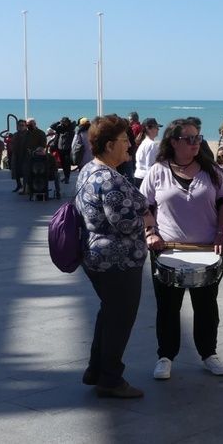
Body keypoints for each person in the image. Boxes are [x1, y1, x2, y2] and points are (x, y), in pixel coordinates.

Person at [141, 119, 223, 380]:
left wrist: (221, 233)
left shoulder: (212, 171)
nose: (196, 143)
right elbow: (144, 205)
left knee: (206, 307)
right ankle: (165, 356)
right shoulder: (157, 171)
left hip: (207, 250)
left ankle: (209, 353)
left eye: (198, 138)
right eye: (189, 139)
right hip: (167, 251)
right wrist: (150, 232)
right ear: (173, 142)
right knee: (168, 308)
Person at [77, 115, 150, 399]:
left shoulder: (89, 169)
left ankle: (96, 369)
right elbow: (124, 223)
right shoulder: (108, 179)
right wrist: (147, 218)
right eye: (124, 140)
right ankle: (110, 379)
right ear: (109, 145)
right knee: (120, 320)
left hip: (97, 256)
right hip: (117, 261)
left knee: (109, 314)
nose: (130, 145)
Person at [133, 117, 160, 189]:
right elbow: (150, 166)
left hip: (138, 176)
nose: (158, 129)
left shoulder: (143, 143)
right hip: (145, 178)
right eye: (156, 127)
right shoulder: (151, 144)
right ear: (148, 129)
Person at [49, 117, 76, 184]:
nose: (65, 123)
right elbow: (52, 126)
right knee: (63, 164)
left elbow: (74, 123)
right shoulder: (60, 128)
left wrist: (69, 123)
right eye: (64, 122)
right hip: (60, 148)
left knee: (67, 164)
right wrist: (59, 122)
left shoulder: (70, 128)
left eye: (66, 122)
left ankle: (67, 178)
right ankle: (65, 176)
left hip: (68, 149)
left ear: (68, 122)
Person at [8, 120, 28, 192]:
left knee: (25, 172)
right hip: (16, 155)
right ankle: (19, 185)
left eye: (23, 125)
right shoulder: (15, 134)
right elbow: (12, 144)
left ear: (25, 126)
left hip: (25, 155)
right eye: (20, 125)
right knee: (16, 171)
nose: (21, 127)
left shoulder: (28, 134)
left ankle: (25, 187)